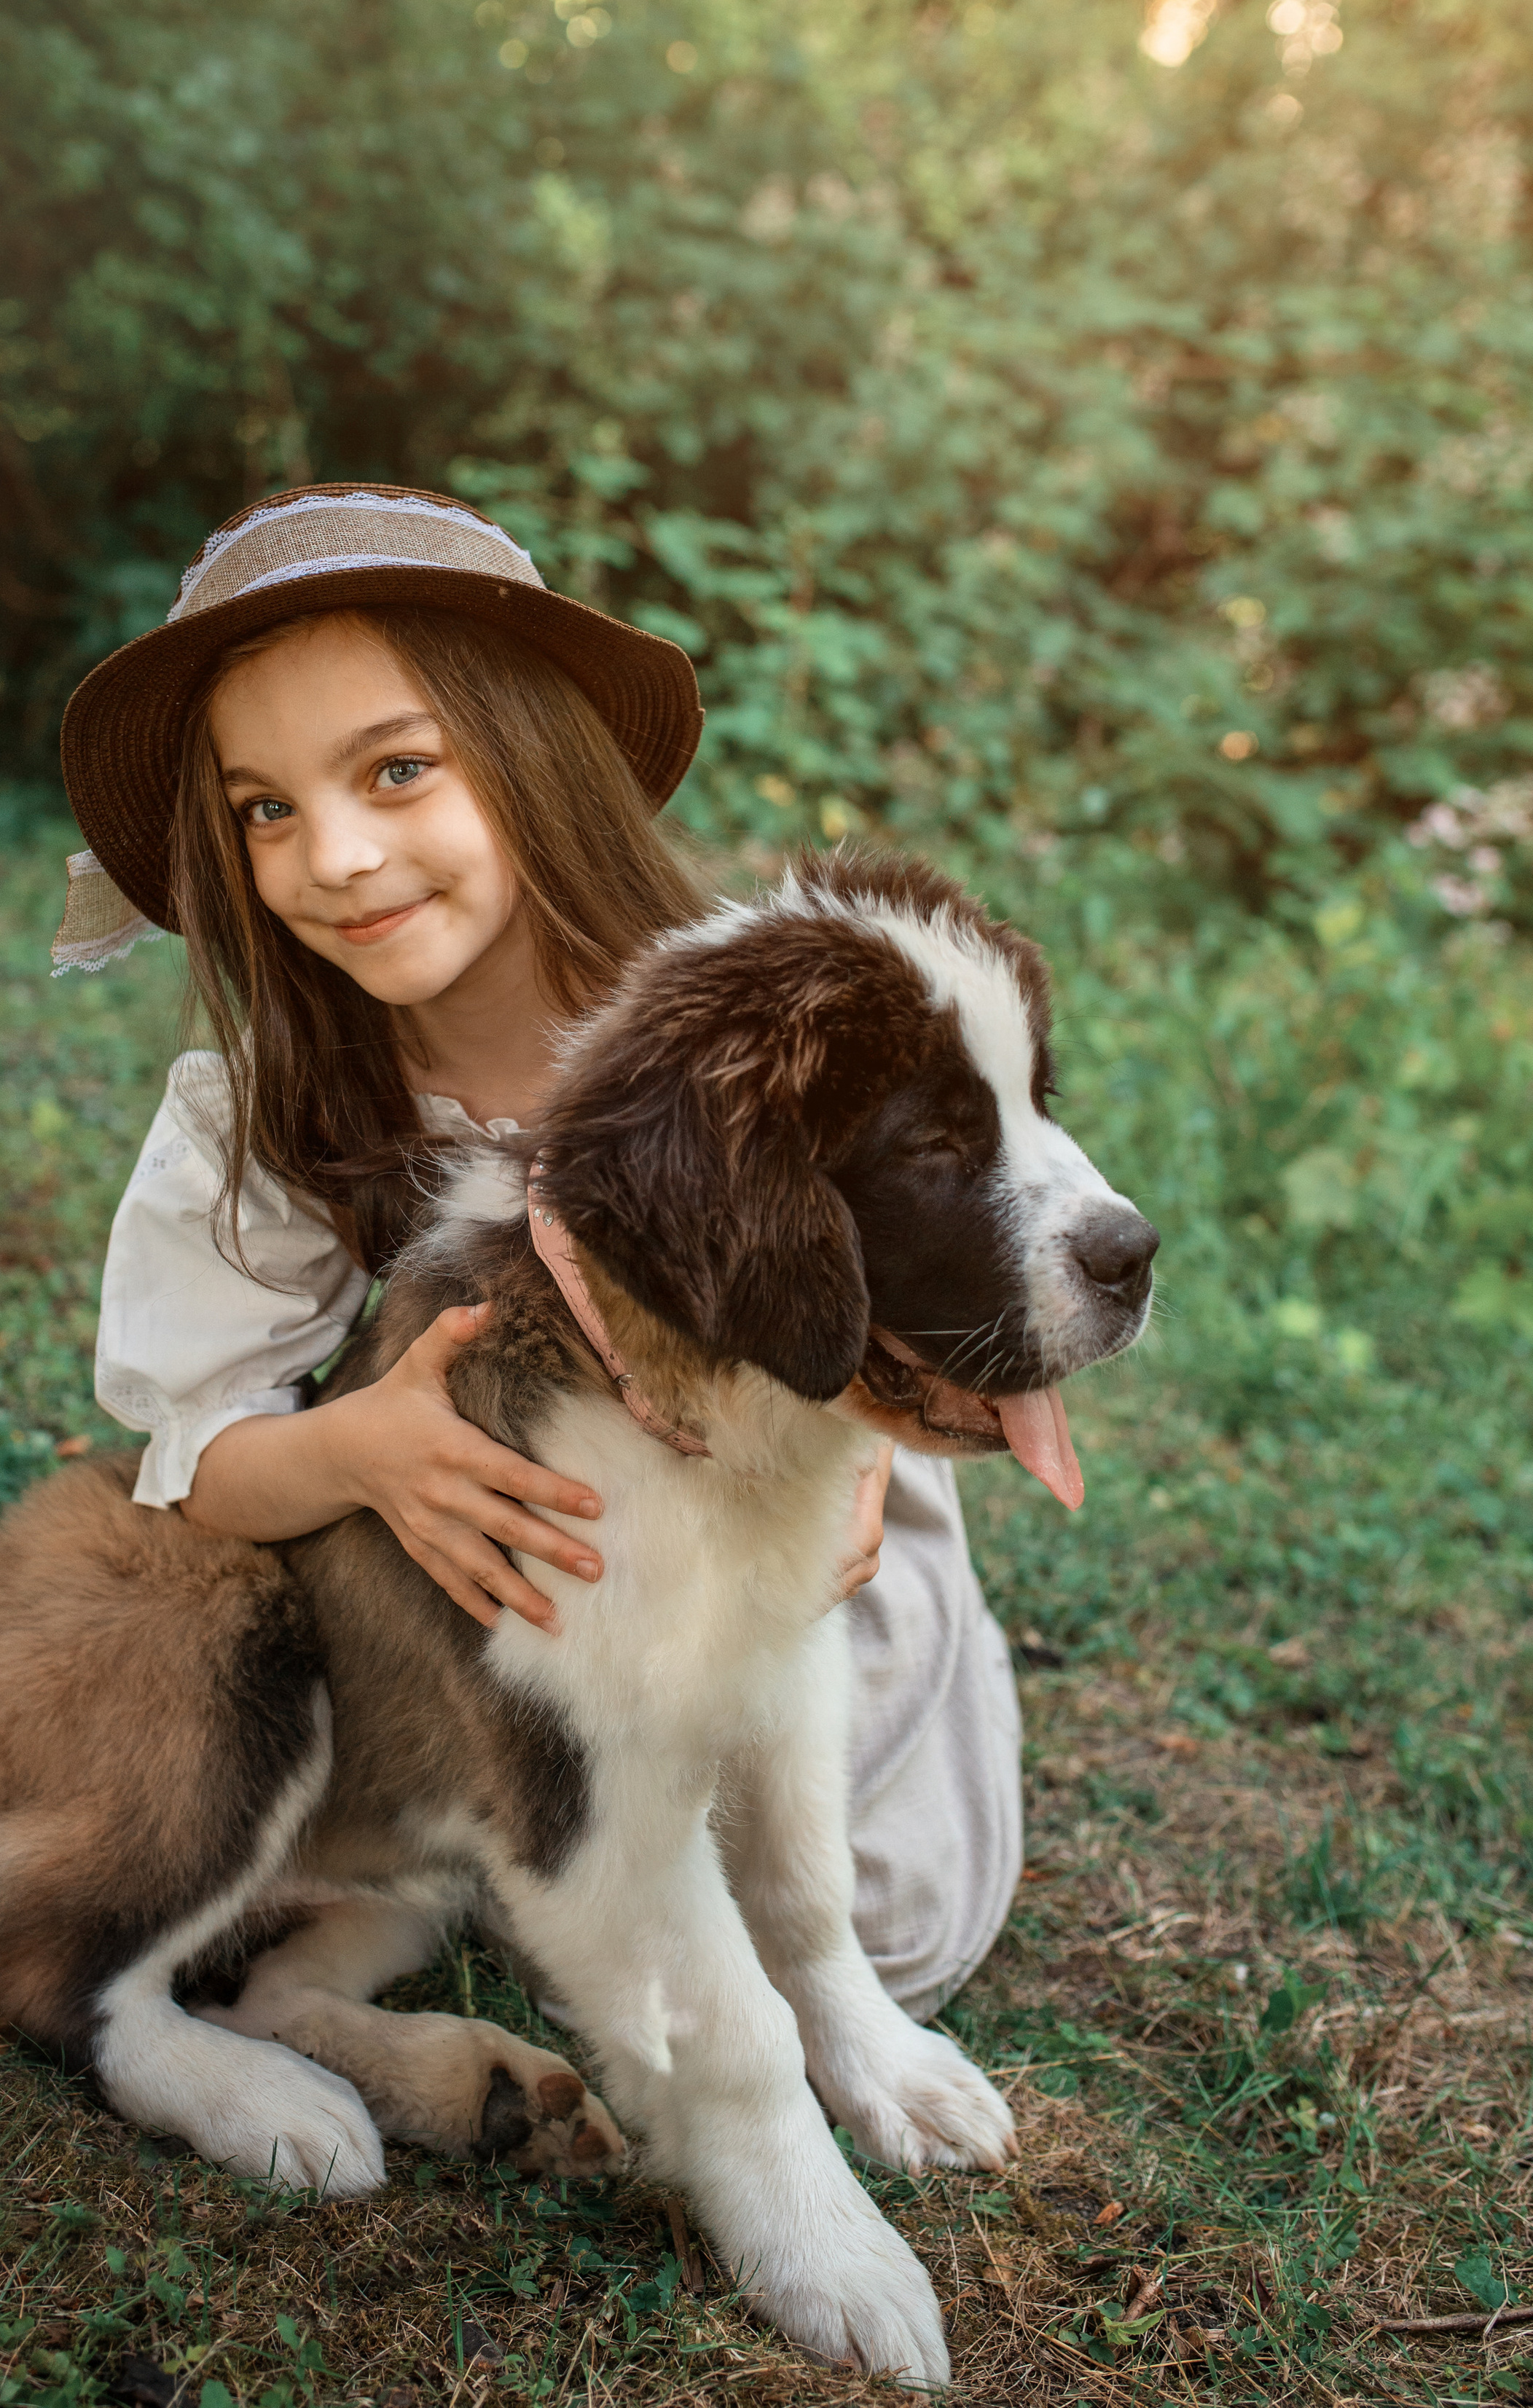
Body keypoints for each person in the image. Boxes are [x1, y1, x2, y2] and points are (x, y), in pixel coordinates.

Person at [53, 481, 1024, 2020]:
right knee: (609, 1905)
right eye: (265, 810)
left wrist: (858, 1451)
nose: (336, 855)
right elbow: (194, 1454)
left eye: (398, 769)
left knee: (874, 1927)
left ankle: (851, 1722)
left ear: (529, 755)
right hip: (545, 1525)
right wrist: (362, 1451)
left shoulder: (739, 1023)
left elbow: (926, 1266)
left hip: (797, 1481)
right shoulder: (277, 1107)